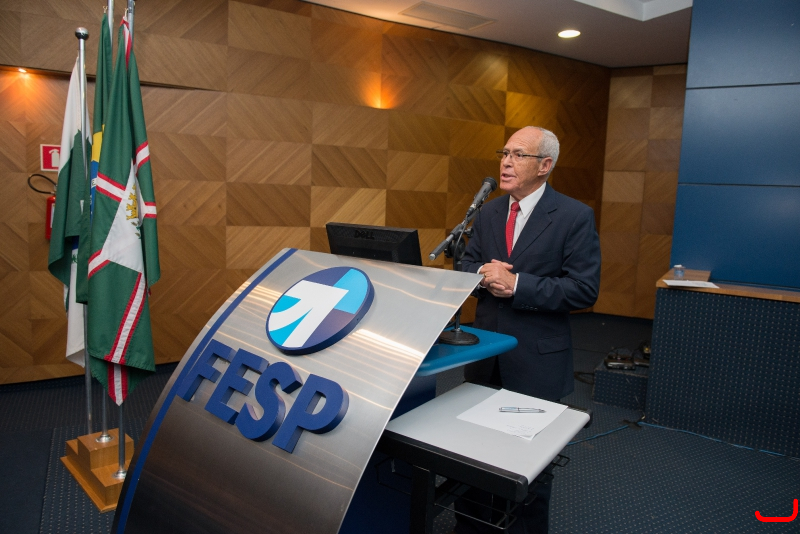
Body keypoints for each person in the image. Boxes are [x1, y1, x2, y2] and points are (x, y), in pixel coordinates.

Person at [454, 126, 601, 534]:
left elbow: (584, 289)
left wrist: (519, 285)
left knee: (526, 470)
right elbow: (466, 265)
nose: (506, 162)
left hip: (537, 360)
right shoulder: (488, 213)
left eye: (518, 155)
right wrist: (483, 275)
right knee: (472, 453)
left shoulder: (573, 216)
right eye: (504, 153)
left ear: (544, 165)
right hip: (485, 352)